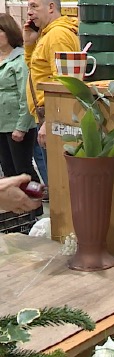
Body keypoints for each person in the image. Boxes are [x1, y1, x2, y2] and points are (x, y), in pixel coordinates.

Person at [23, 0, 80, 187]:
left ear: (50, 7)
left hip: (55, 118)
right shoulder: (47, 35)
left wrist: (51, 121)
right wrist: (29, 43)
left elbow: (65, 82)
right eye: (28, 7)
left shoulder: (57, 35)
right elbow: (35, 69)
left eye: (34, 6)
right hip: (48, 115)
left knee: (60, 185)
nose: (29, 12)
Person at [0, 14, 42, 216]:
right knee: (8, 171)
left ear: (8, 32)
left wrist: (21, 126)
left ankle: (35, 212)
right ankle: (18, 214)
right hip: (0, 125)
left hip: (17, 125)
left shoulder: (20, 58)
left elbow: (27, 95)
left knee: (23, 171)